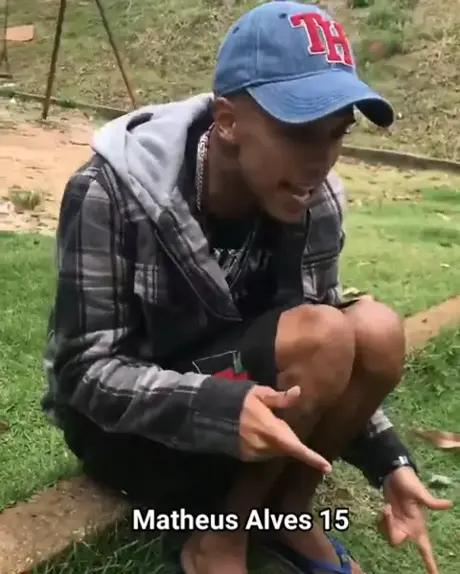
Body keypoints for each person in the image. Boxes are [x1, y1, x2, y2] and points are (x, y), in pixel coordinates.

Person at [42, 2, 452, 573]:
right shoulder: (109, 192)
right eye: (299, 132)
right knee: (324, 333)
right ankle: (219, 539)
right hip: (134, 431)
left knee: (374, 329)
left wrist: (389, 460)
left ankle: (286, 514)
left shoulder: (317, 200)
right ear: (229, 121)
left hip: (250, 406)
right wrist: (216, 405)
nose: (320, 162)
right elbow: (81, 372)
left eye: (336, 134)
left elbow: (329, 355)